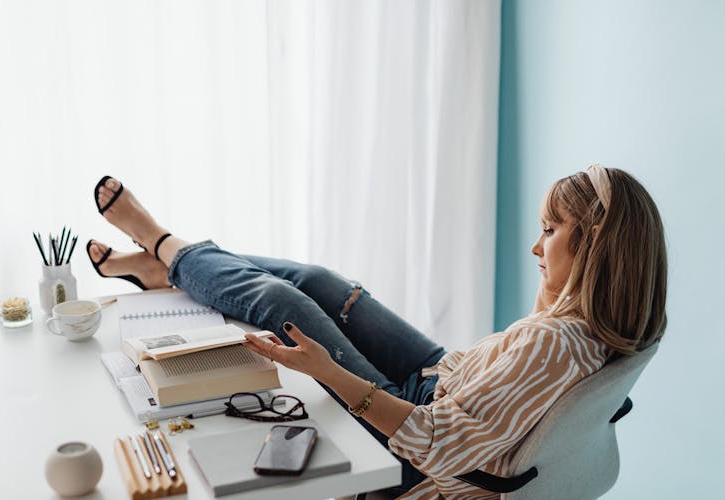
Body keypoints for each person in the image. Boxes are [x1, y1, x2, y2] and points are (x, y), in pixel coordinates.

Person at [87, 165, 667, 499]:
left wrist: (325, 370)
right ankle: (167, 266)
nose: (536, 246)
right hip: (444, 378)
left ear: (595, 245)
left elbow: (437, 446)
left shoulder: (553, 344)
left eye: (550, 231)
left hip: (415, 438)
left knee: (282, 302)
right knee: (320, 280)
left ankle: (158, 242)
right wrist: (553, 292)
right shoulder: (607, 325)